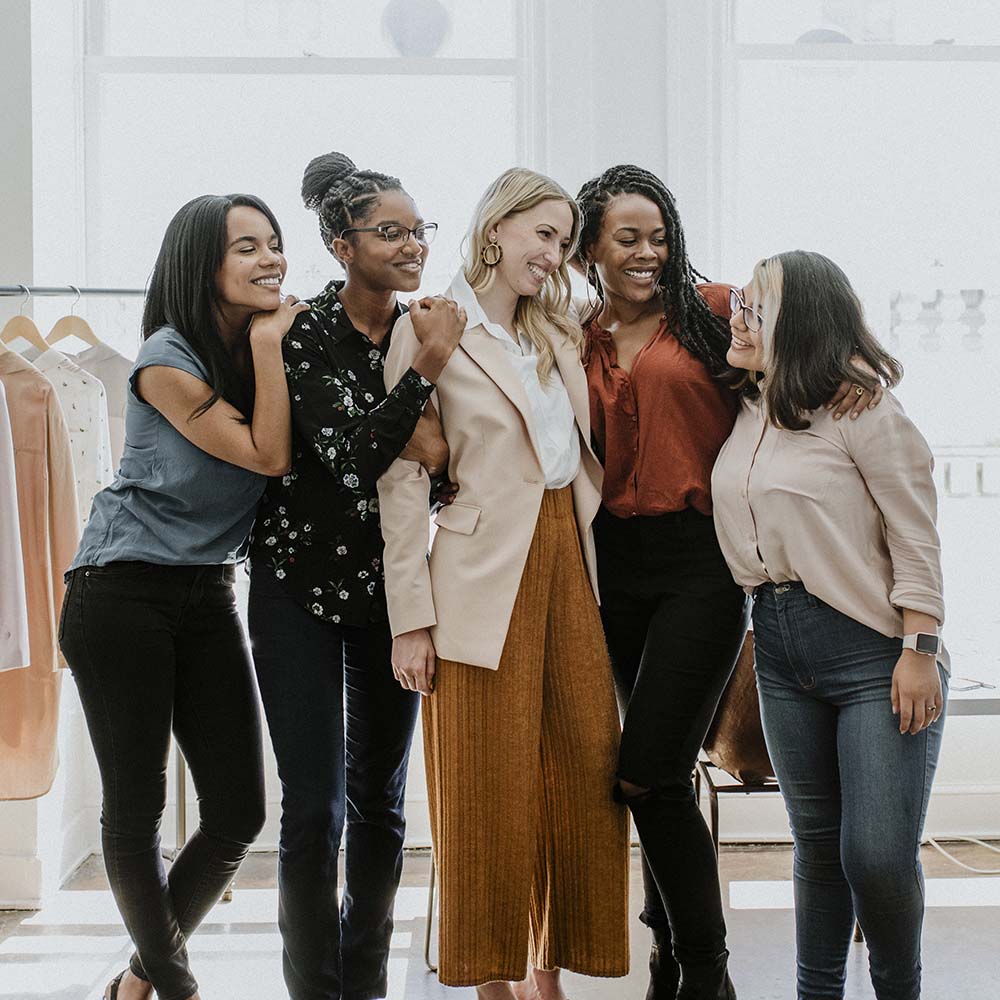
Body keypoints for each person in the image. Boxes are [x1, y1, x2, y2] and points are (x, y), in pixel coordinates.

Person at [573, 164, 879, 1000]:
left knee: (646, 772)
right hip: (610, 568)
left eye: (659, 236)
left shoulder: (714, 312)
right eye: (627, 238)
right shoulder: (575, 332)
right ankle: (672, 963)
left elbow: (814, 338)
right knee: (657, 775)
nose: (647, 253)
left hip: (700, 568)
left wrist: (859, 382)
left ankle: (705, 974)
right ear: (590, 244)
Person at [377, 167, 629, 1000]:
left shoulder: (554, 326)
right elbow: (402, 481)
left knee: (583, 765)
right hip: (479, 571)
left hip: (568, 553)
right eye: (543, 235)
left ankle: (548, 968)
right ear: (496, 230)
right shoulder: (428, 327)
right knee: (486, 779)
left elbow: (652, 294)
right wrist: (409, 618)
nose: (555, 254)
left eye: (564, 241)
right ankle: (493, 980)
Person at [59, 193, 309, 1000]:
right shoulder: (165, 359)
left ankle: (136, 981)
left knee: (238, 811)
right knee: (136, 812)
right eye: (247, 248)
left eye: (275, 243)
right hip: (120, 591)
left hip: (207, 593)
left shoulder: (261, 351)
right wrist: (272, 345)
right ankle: (175, 990)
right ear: (201, 265)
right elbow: (268, 456)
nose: (271, 258)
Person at [246, 151, 466, 1000]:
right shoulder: (300, 333)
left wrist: (423, 431)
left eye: (419, 230)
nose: (411, 245)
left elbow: (440, 466)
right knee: (314, 812)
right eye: (390, 231)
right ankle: (314, 988)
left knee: (381, 807)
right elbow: (351, 459)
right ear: (342, 245)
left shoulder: (421, 328)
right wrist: (425, 381)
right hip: (296, 590)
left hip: (391, 599)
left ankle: (365, 985)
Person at [712, 250, 947, 1000]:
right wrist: (741, 301)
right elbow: (699, 292)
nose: (737, 319)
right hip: (778, 648)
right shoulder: (746, 408)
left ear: (799, 323)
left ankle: (897, 991)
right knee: (816, 846)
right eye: (740, 308)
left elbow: (917, 537)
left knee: (875, 854)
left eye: (755, 310)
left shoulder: (863, 409)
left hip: (873, 650)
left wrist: (920, 649)